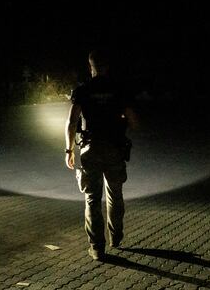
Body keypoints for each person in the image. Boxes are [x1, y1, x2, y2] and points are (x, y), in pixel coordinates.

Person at [64, 48, 138, 261]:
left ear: (91, 66)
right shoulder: (119, 89)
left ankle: (97, 248)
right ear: (108, 66)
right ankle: (116, 238)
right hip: (115, 149)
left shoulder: (83, 90)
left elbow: (71, 122)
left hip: (91, 148)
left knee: (92, 198)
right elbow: (133, 121)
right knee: (115, 195)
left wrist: (69, 150)